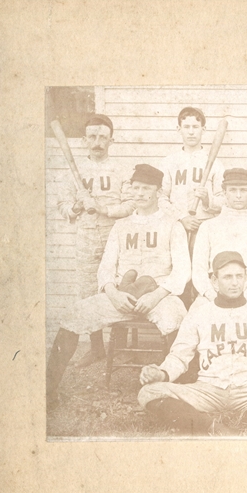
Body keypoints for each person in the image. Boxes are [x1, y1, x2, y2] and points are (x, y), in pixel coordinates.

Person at [47, 164, 191, 408]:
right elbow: (105, 268)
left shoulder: (172, 225)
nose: (140, 193)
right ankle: (48, 390)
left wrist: (156, 297)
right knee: (73, 315)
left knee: (177, 318)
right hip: (121, 294)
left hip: (159, 295)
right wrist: (112, 294)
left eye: (147, 188)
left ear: (158, 191)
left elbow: (182, 271)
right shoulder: (121, 225)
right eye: (136, 188)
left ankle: (178, 390)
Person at [138, 251, 247, 434]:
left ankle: (236, 425)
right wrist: (161, 374)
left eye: (239, 276)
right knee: (148, 392)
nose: (235, 282)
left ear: (246, 278)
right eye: (227, 277)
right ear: (214, 281)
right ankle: (211, 427)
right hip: (208, 390)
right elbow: (179, 355)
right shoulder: (199, 313)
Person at [56, 114, 136, 367]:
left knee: (119, 287)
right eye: (92, 136)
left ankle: (120, 346)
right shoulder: (73, 172)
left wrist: (100, 207)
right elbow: (62, 206)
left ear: (111, 139)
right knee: (90, 291)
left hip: (117, 236)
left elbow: (130, 205)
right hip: (87, 237)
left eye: (103, 136)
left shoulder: (123, 170)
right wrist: (77, 207)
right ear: (84, 140)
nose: (97, 142)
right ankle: (97, 348)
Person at [191, 168, 247, 309]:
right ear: (224, 193)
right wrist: (211, 295)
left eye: (243, 190)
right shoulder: (208, 226)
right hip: (215, 290)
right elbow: (198, 269)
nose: (238, 195)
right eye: (233, 190)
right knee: (196, 317)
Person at [158, 106, 226, 234]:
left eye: (195, 127)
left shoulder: (215, 163)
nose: (191, 132)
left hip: (206, 227)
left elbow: (224, 201)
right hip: (176, 225)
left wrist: (207, 199)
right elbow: (161, 198)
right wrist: (181, 217)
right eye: (186, 127)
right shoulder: (169, 162)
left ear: (203, 129)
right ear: (179, 129)